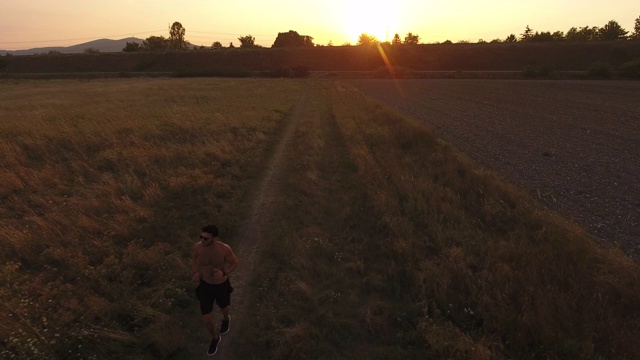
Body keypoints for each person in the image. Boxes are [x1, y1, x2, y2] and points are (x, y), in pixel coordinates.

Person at [192, 224, 239, 356]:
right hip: (205, 285)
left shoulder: (224, 249)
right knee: (206, 318)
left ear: (214, 238)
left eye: (206, 238)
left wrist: (224, 273)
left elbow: (235, 263)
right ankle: (215, 337)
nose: (202, 240)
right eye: (201, 237)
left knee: (224, 307)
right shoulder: (198, 247)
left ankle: (225, 319)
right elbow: (195, 257)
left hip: (221, 285)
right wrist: (195, 272)